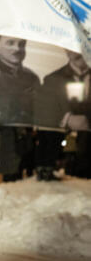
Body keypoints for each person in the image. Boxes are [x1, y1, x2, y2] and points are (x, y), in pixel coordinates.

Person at [37, 49, 91, 180]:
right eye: (73, 47)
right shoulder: (52, 79)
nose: (78, 51)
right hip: (61, 137)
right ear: (66, 51)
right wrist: (68, 118)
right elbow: (46, 108)